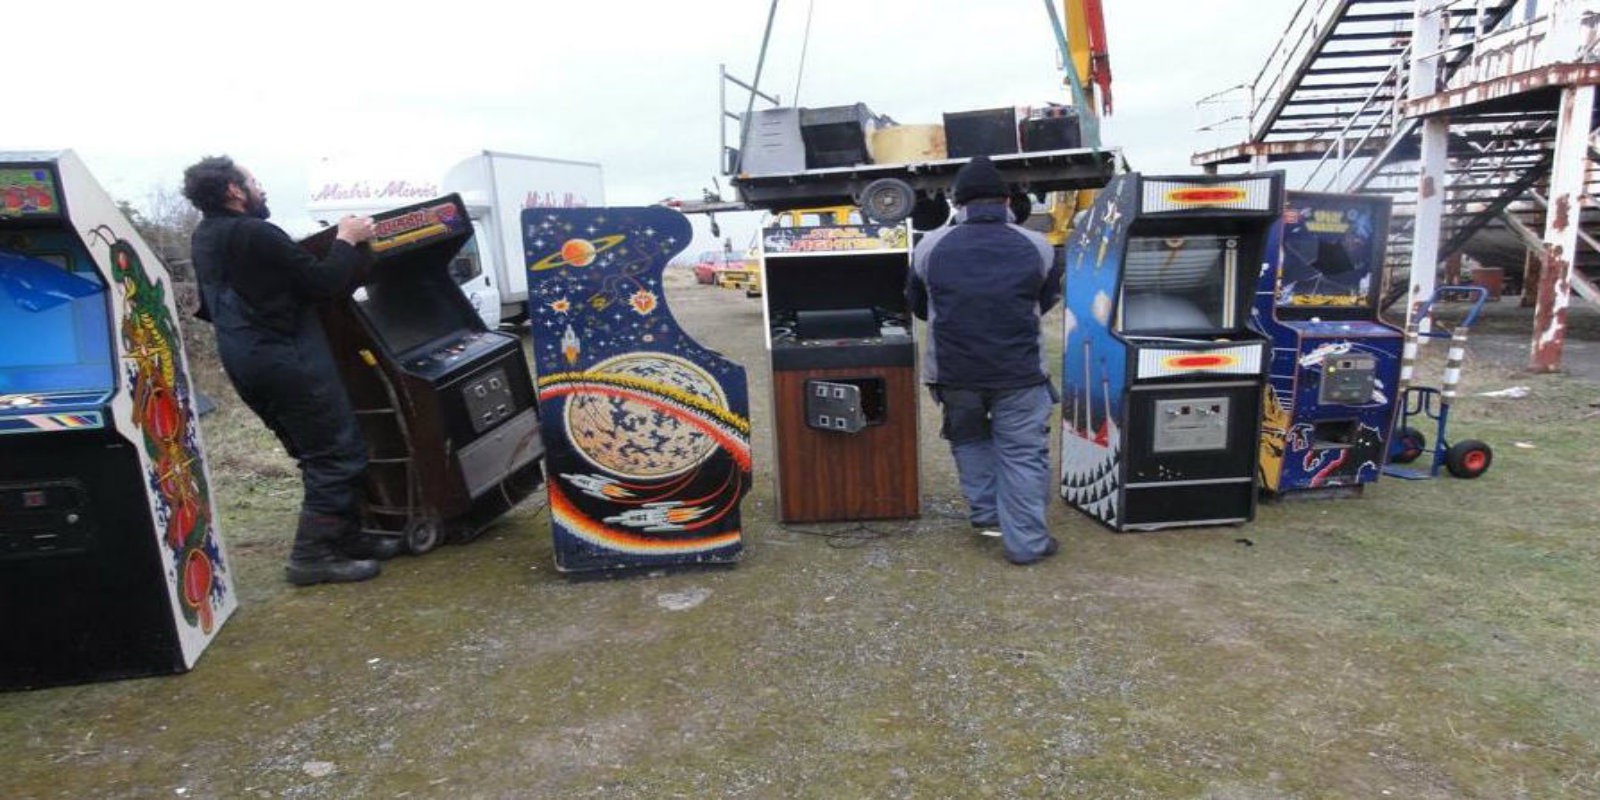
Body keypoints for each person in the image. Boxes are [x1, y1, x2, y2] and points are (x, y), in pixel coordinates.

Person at [182, 156, 400, 586]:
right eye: (254, 181)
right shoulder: (255, 233)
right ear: (234, 191)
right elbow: (323, 283)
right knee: (337, 455)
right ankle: (312, 556)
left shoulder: (205, 236)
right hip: (286, 358)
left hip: (247, 360)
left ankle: (346, 537)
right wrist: (347, 239)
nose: (261, 188)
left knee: (316, 453)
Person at [906, 156, 1063, 565]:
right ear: (1007, 200)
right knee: (1023, 453)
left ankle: (988, 516)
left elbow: (919, 306)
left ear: (957, 202)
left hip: (955, 373)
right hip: (1020, 374)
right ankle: (1026, 542)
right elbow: (1043, 301)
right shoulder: (1037, 246)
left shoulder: (929, 246)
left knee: (970, 441)